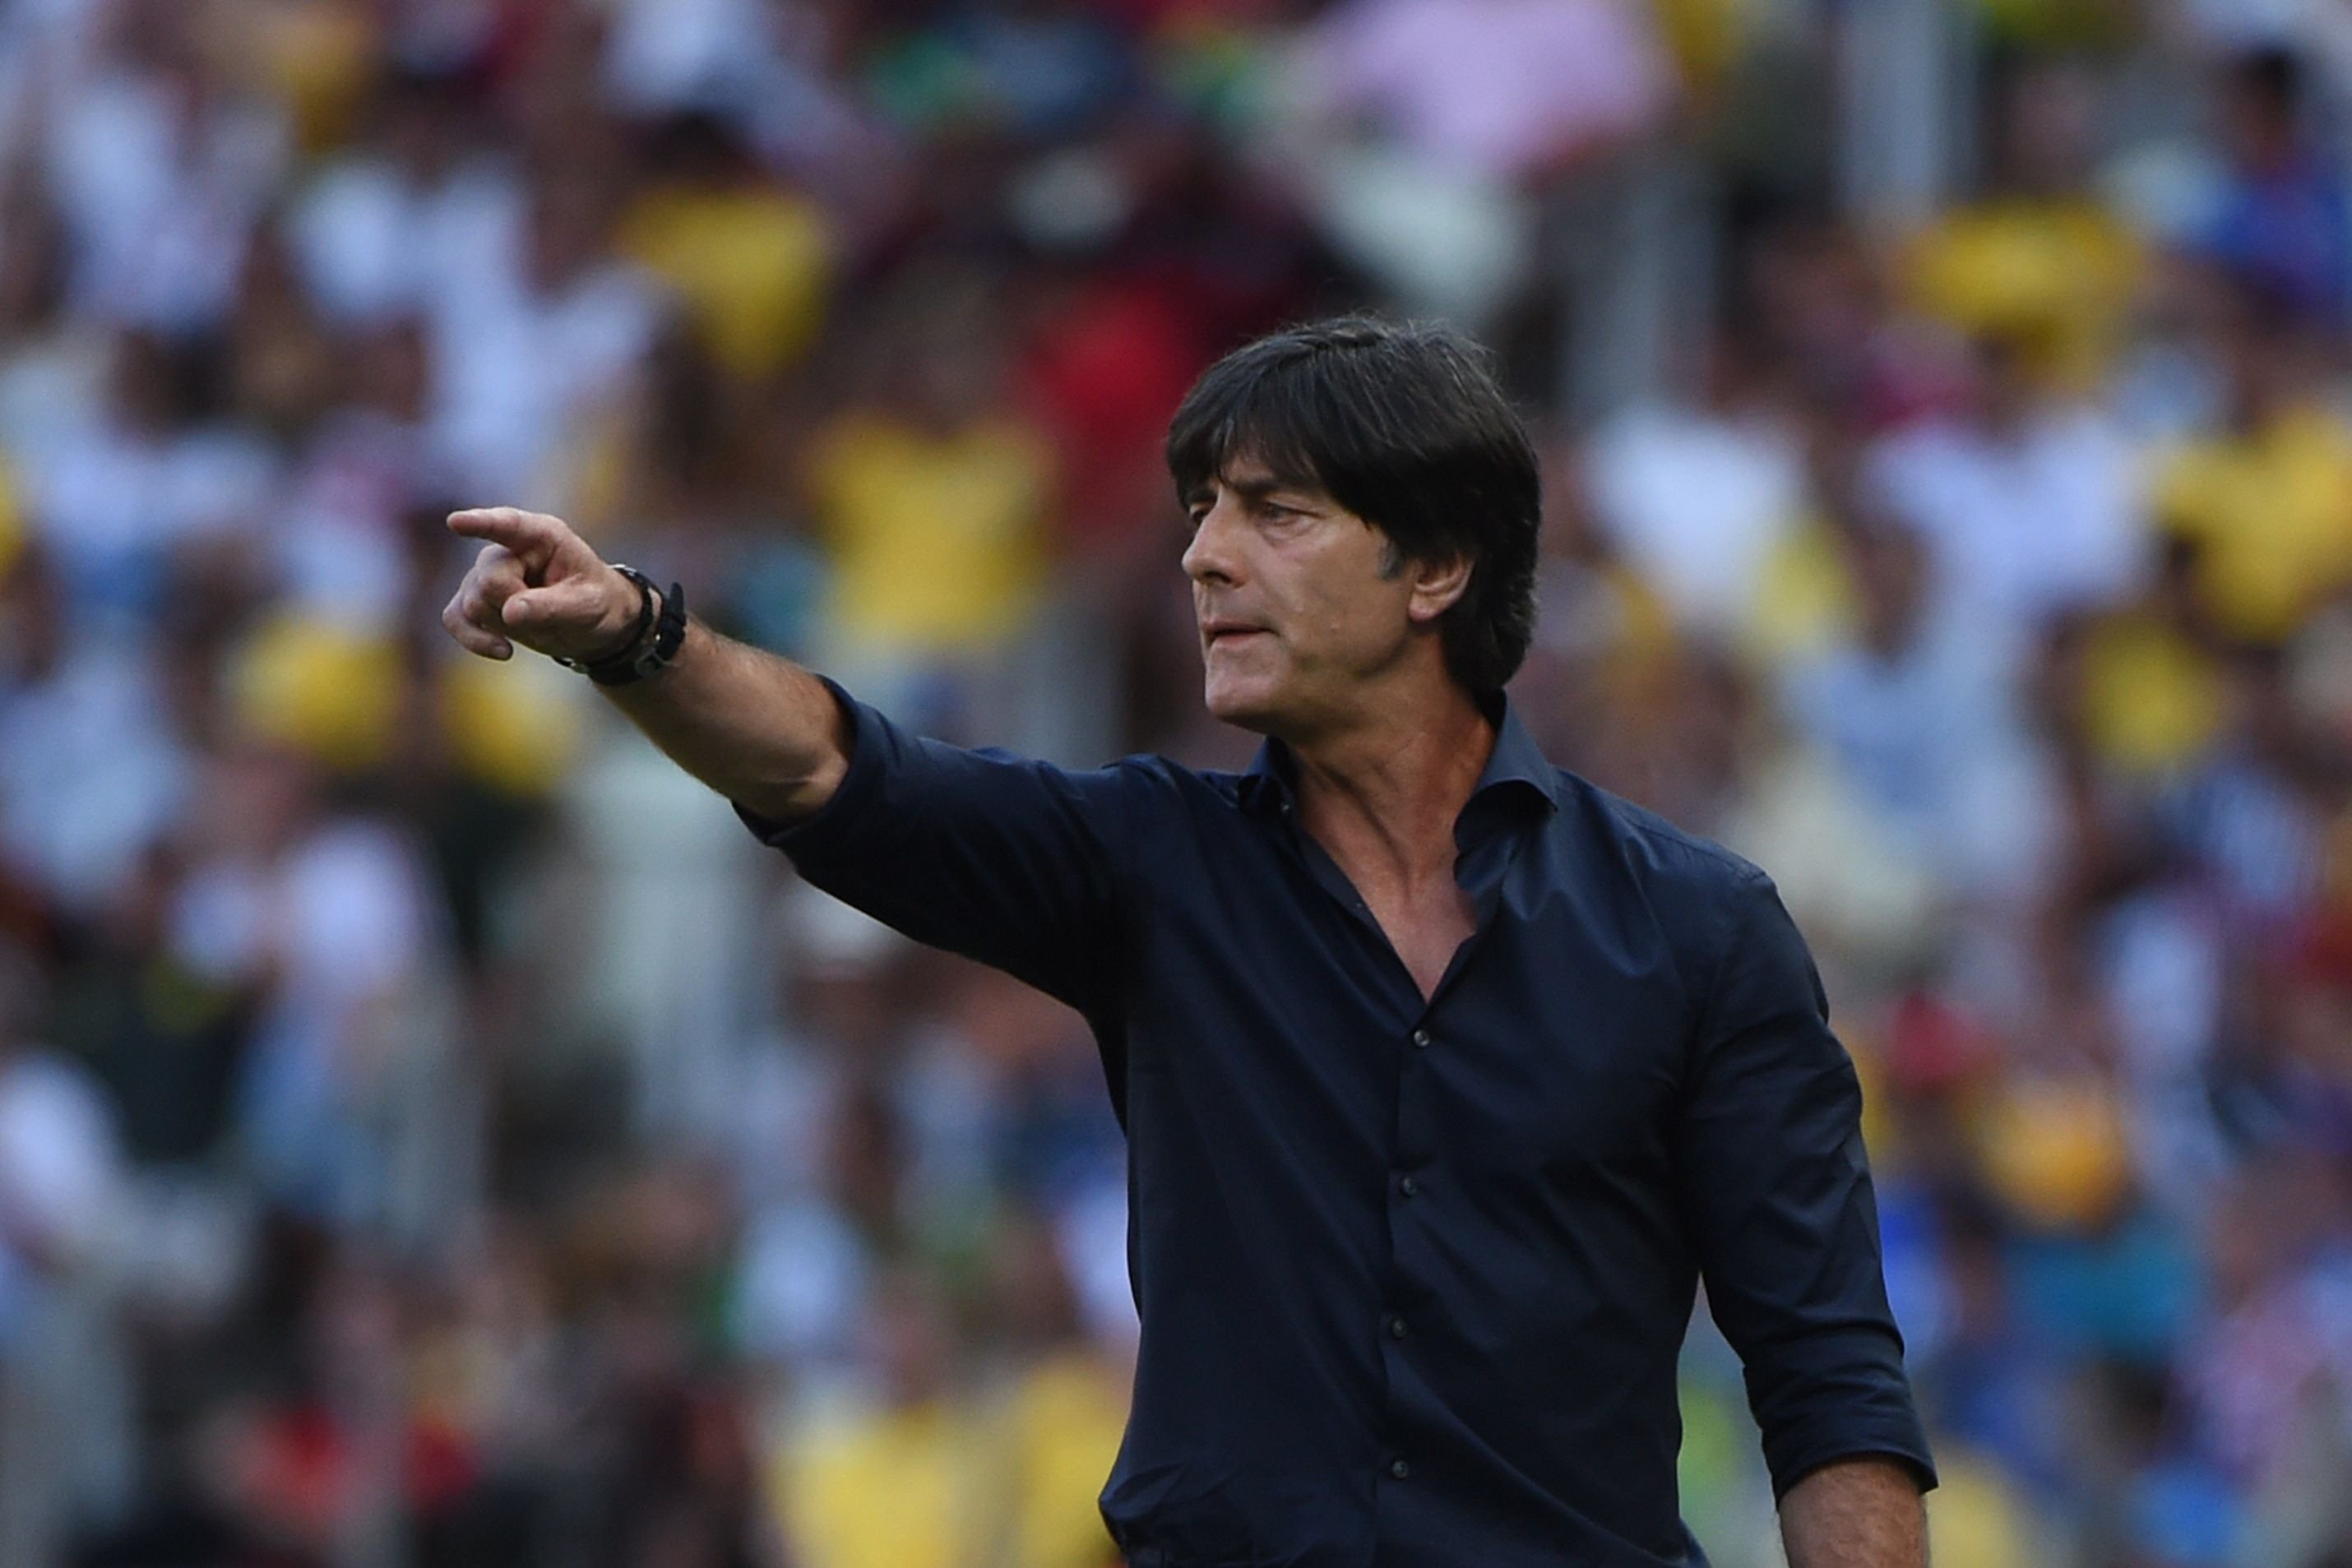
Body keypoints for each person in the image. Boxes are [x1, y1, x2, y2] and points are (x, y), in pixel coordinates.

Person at [441, 316, 1935, 1567]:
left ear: (1436, 569)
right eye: (1203, 512)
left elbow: (1829, 1384)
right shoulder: (1149, 866)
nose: (1206, 560)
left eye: (1275, 514)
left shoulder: (1700, 929)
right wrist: (637, 629)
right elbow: (836, 770)